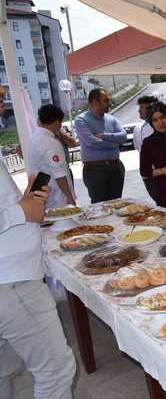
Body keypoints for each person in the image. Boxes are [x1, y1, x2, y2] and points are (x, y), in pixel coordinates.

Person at [0, 83, 76, 399]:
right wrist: (21, 212)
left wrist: (24, 202)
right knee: (56, 371)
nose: (3, 90)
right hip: (11, 281)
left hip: (13, 276)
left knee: (4, 369)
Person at [74, 88, 127, 203]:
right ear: (95, 102)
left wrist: (103, 136)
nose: (110, 103)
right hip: (95, 170)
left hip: (115, 167)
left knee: (117, 204)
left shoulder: (112, 119)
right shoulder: (81, 120)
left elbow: (123, 136)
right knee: (99, 206)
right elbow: (92, 142)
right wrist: (114, 144)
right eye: (106, 100)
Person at [26, 104, 76, 209]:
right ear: (57, 121)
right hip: (56, 196)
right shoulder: (48, 141)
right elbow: (59, 173)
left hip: (44, 192)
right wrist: (69, 197)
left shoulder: (35, 137)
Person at [139, 102, 166, 211]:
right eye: (155, 120)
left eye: (163, 117)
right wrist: (162, 171)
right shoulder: (149, 142)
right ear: (151, 123)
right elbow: (144, 171)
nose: (160, 123)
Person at [133, 95, 159, 201]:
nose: (139, 110)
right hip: (147, 174)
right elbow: (138, 148)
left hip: (162, 172)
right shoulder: (137, 129)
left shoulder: (161, 125)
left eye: (142, 107)